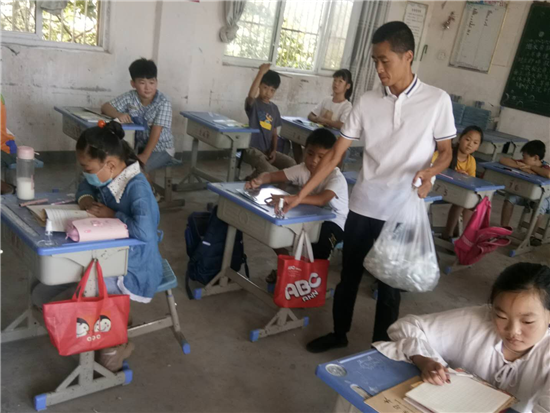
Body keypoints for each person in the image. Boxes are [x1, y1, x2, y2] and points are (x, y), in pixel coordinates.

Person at [281, 21, 456, 353]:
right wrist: (299, 196)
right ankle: (339, 333)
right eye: (375, 60)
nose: (378, 68)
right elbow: (335, 154)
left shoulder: (436, 100)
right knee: (349, 276)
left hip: (401, 210)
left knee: (390, 286)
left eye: (384, 61)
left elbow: (446, 152)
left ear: (408, 57)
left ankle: (380, 348)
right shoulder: (366, 101)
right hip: (363, 205)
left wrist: (431, 171)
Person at [32, 121, 164, 371]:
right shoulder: (108, 174)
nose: (86, 173)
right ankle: (113, 321)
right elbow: (86, 184)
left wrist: (113, 215)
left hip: (134, 265)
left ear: (110, 165)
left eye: (88, 168)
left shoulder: (137, 187)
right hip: (104, 253)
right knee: (41, 294)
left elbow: (145, 232)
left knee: (106, 359)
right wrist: (85, 199)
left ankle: (118, 346)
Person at [373, 262, 550, 413]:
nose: (513, 331)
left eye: (527, 321)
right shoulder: (478, 320)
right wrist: (423, 358)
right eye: (501, 316)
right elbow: (407, 327)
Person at [245, 128, 349, 283]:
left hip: (335, 223)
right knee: (274, 229)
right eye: (310, 153)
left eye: (321, 157)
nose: (314, 160)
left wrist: (291, 198)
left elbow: (322, 200)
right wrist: (259, 180)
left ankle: (308, 281)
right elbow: (272, 176)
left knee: (319, 244)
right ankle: (290, 267)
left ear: (332, 159)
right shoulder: (303, 169)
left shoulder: (336, 177)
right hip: (308, 216)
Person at [101, 58, 175, 174]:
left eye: (151, 83)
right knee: (113, 164)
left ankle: (144, 186)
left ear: (156, 82)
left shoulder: (163, 102)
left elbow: (156, 131)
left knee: (135, 171)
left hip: (161, 149)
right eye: (142, 83)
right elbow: (106, 107)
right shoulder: (131, 97)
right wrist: (118, 114)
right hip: (138, 146)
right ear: (133, 84)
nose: (147, 87)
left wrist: (145, 155)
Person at [242, 63, 295, 179]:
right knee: (270, 171)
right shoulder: (254, 104)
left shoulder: (274, 109)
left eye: (272, 90)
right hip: (251, 149)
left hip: (267, 150)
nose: (268, 92)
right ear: (259, 86)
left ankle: (254, 178)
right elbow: (251, 95)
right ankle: (253, 179)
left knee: (291, 164)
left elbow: (274, 134)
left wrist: (274, 151)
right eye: (265, 88)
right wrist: (260, 73)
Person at [291, 69, 354, 164]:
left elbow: (342, 125)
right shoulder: (326, 100)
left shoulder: (347, 106)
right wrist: (317, 119)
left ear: (348, 86)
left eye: (340, 81)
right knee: (294, 138)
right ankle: (301, 165)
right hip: (318, 136)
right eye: (335, 80)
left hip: (333, 140)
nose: (336, 84)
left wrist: (325, 120)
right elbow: (310, 115)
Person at [433, 125, 483, 240]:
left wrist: (465, 178)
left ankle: (464, 235)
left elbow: (472, 181)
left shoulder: (471, 161)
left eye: (475, 143)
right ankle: (448, 234)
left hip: (454, 193)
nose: (470, 144)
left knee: (472, 201)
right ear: (460, 139)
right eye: (467, 139)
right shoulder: (446, 153)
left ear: (478, 147)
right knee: (461, 201)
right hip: (437, 189)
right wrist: (454, 174)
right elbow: (431, 165)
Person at [500, 140, 550, 229]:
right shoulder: (524, 163)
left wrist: (531, 167)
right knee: (509, 198)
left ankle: (531, 234)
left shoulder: (545, 167)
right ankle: (503, 229)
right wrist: (520, 166)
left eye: (524, 157)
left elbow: (548, 174)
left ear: (535, 158)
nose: (522, 159)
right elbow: (503, 160)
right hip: (526, 194)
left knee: (541, 206)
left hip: (542, 198)